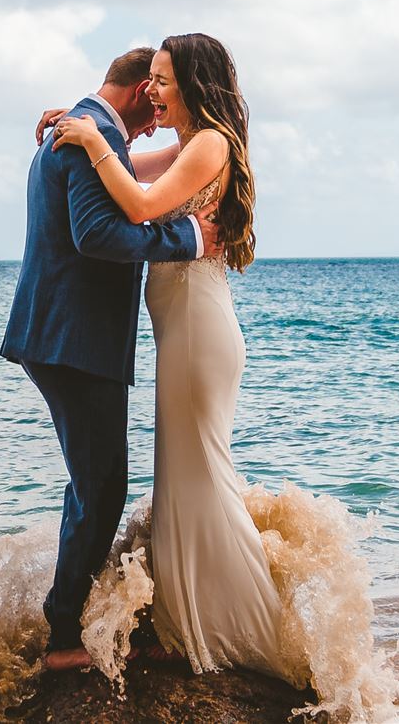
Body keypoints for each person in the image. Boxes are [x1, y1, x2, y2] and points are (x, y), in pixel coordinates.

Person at [45, 33, 281, 678]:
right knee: (182, 477)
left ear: (197, 85)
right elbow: (125, 174)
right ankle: (184, 624)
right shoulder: (190, 145)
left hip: (199, 335)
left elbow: (143, 205)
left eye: (166, 81)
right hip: (182, 334)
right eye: (150, 80)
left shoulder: (210, 144)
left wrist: (94, 140)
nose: (154, 91)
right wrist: (79, 129)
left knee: (201, 474)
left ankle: (246, 630)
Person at [0, 46, 221, 673]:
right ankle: (63, 633)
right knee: (101, 488)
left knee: (95, 484)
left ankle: (74, 612)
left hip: (63, 335)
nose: (155, 114)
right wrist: (194, 236)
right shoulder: (88, 133)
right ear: (132, 93)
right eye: (150, 102)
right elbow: (97, 234)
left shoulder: (90, 129)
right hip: (73, 340)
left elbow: (147, 167)